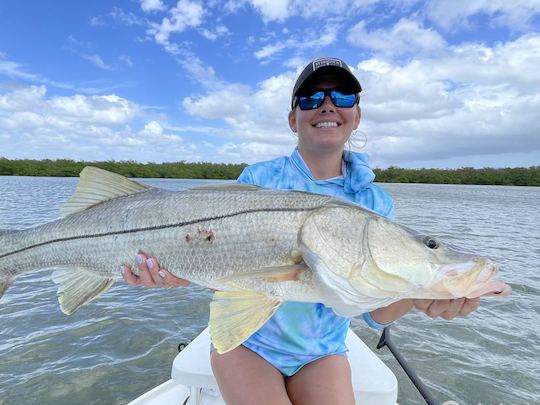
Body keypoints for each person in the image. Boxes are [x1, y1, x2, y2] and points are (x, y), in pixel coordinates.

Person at [121, 56, 481, 405]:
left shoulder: (375, 202)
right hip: (248, 345)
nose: (327, 106)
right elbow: (228, 275)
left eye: (342, 97)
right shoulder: (260, 180)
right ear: (293, 119)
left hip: (321, 353)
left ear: (356, 116)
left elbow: (375, 313)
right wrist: (176, 271)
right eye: (311, 98)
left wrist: (417, 296)